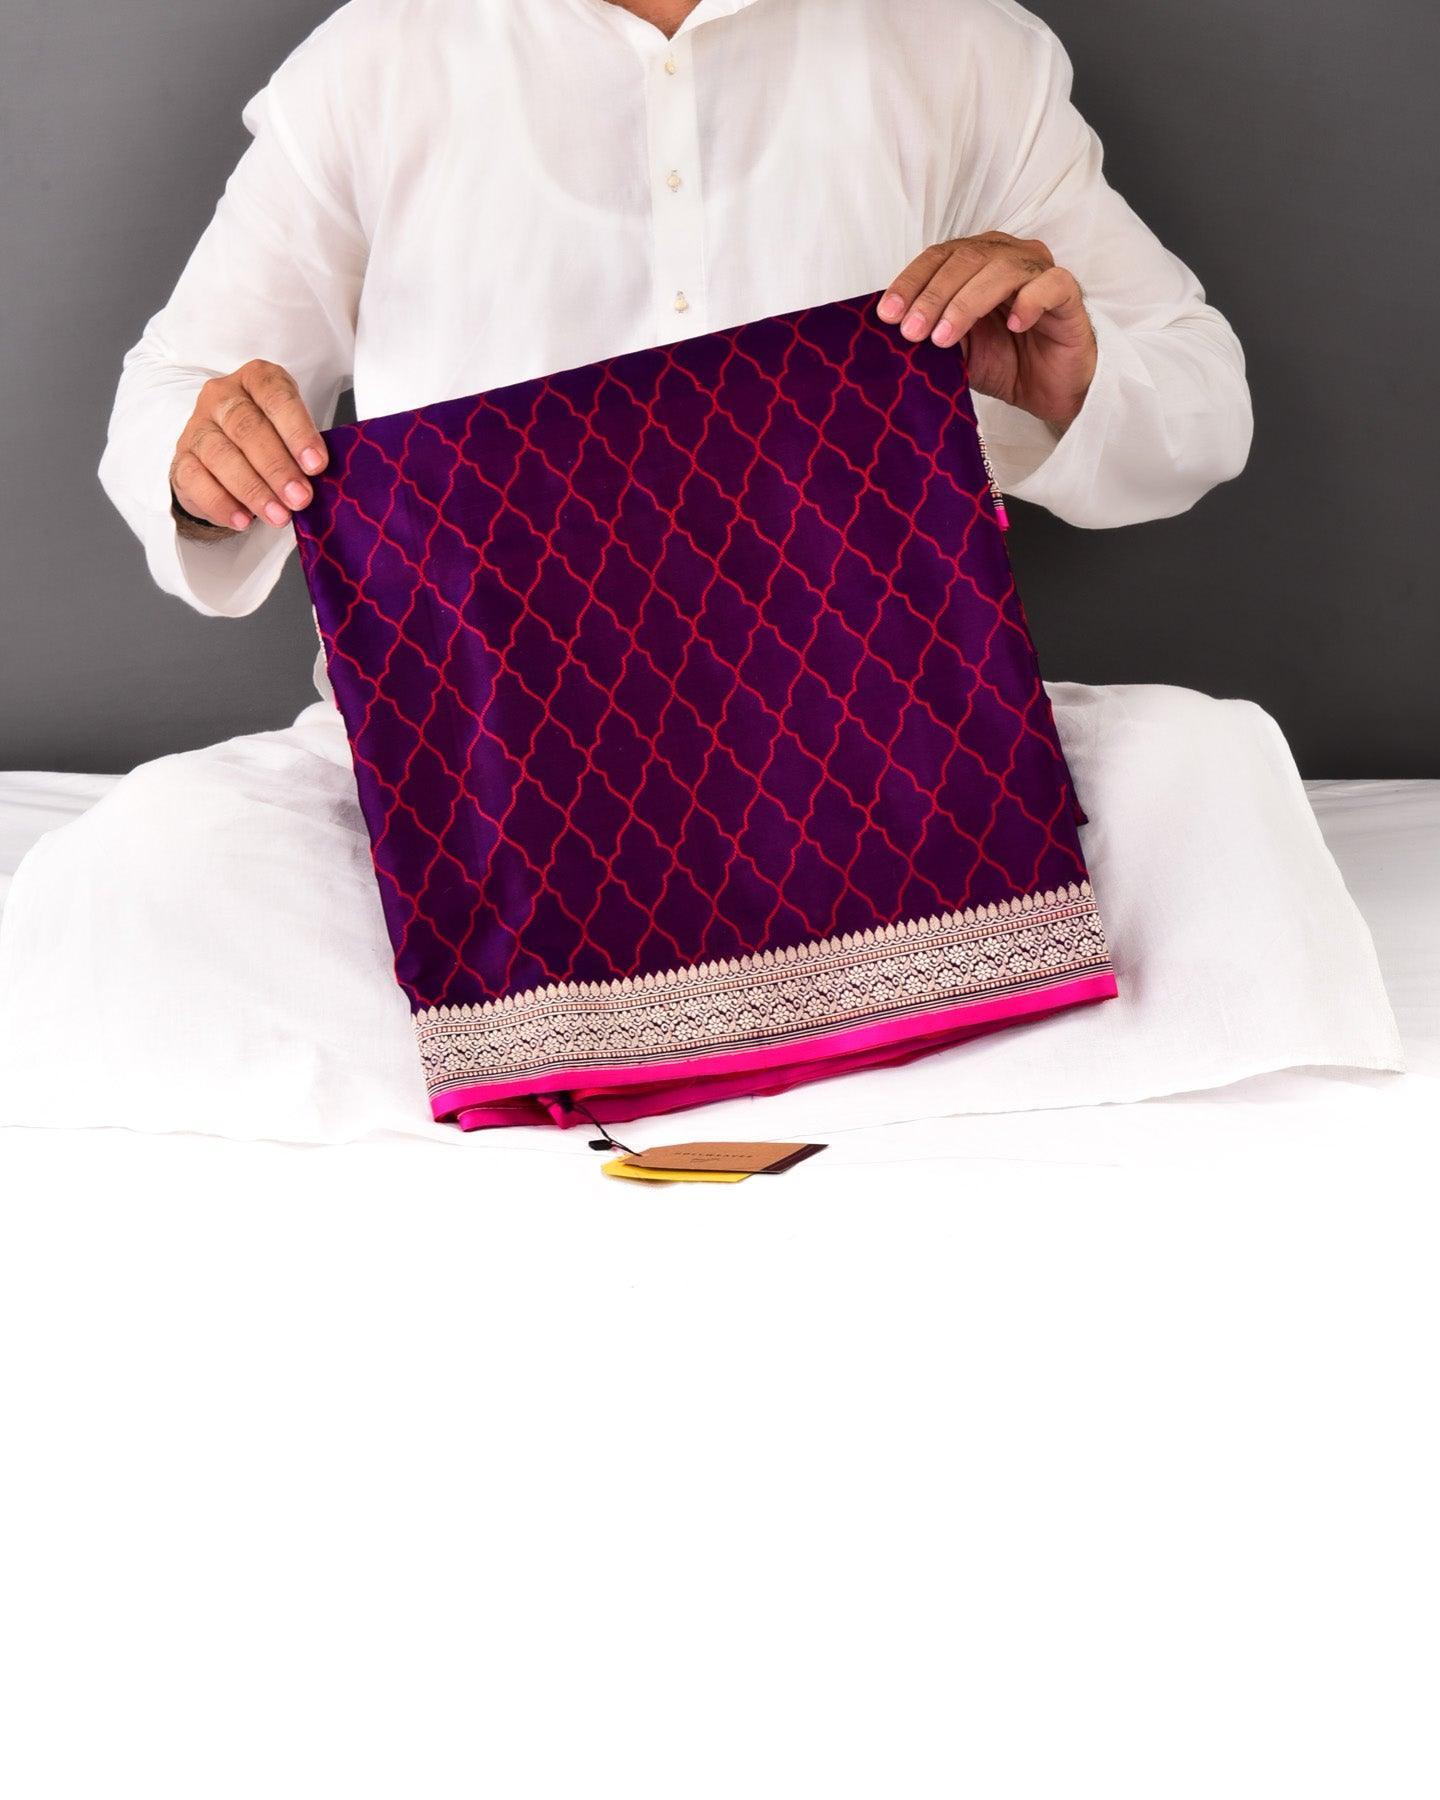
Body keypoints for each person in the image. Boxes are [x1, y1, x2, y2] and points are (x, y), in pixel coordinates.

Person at [0, 0, 1255, 1140]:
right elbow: (171, 393)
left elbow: (1201, 396)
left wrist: (1068, 377)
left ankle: (813, 1037)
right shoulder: (373, 59)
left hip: (882, 745)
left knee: (1216, 772)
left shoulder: (962, 45)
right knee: (141, 866)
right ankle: (823, 1052)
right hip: (479, 777)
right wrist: (204, 455)